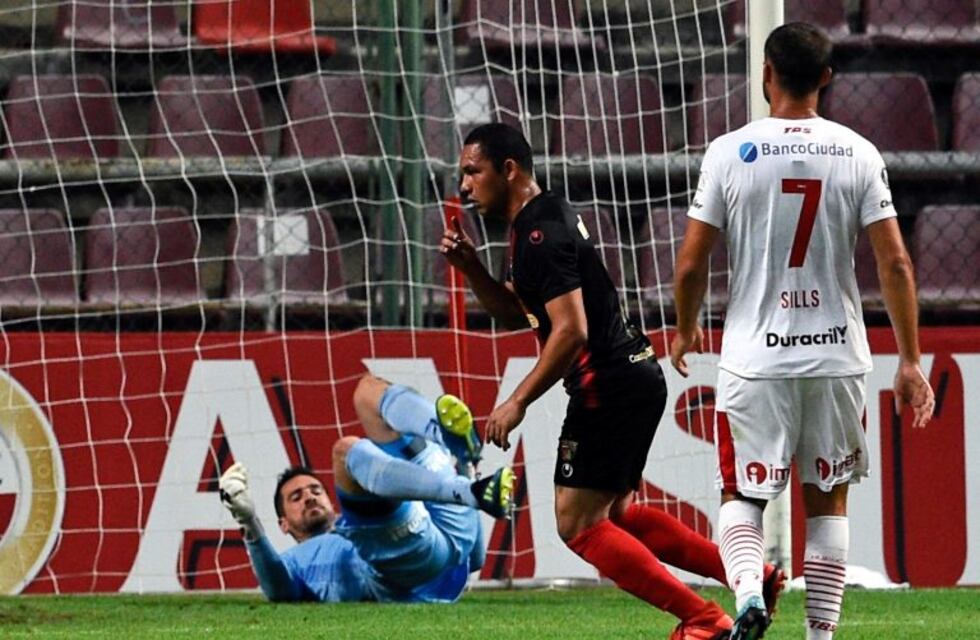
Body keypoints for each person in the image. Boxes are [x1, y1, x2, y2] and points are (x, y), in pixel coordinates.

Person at [443, 122, 783, 640]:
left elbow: (571, 330)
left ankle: (702, 618)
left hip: (608, 383)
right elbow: (519, 311)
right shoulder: (539, 218)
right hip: (633, 375)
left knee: (575, 523)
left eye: (473, 171)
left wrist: (517, 401)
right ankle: (749, 576)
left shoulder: (539, 234)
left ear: (507, 170)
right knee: (617, 516)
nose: (464, 185)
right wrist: (473, 270)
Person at [670, 22, 936, 640]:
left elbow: (690, 264)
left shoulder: (729, 152)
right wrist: (910, 359)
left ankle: (748, 599)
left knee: (742, 495)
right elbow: (896, 262)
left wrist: (685, 331)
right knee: (828, 500)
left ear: (766, 73)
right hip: (837, 356)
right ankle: (820, 637)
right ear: (825, 79)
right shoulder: (859, 152)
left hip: (754, 359)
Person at [218, 376, 514, 603]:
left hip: (442, 536)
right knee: (345, 452)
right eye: (296, 497)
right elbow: (277, 590)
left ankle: (457, 453)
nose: (309, 497)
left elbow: (474, 560)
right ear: (283, 524)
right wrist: (249, 523)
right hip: (408, 570)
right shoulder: (295, 563)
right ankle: (465, 478)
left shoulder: (359, 523)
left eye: (315, 490)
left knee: (366, 391)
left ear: (333, 502)